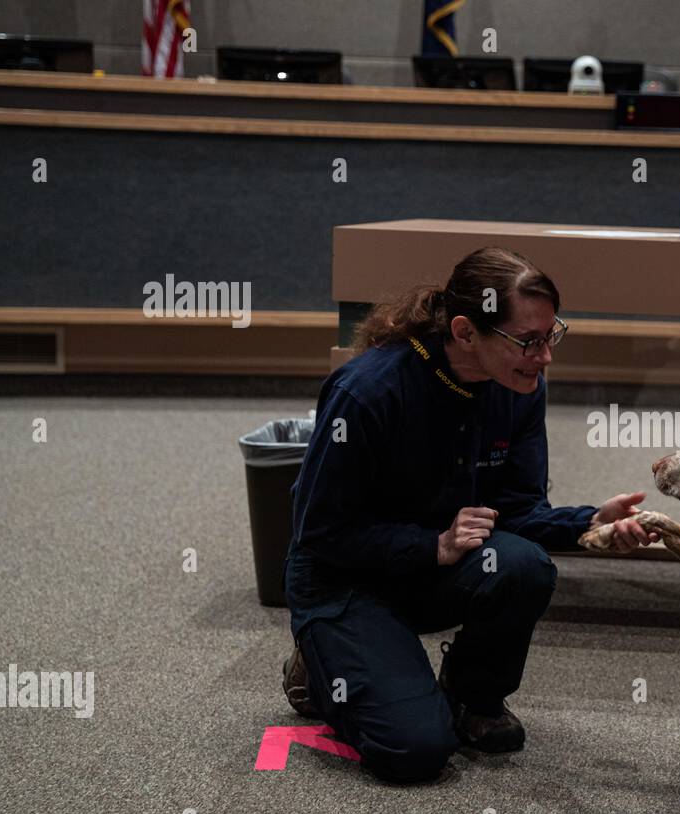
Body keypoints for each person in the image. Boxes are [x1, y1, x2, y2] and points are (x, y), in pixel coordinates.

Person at [281, 247, 657, 784]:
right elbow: (317, 534)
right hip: (346, 579)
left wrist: (590, 523)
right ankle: (320, 670)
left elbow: (520, 511)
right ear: (464, 331)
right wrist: (432, 546)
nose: (544, 356)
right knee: (415, 750)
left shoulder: (519, 388)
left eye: (552, 335)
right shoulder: (367, 392)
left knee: (523, 566)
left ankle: (471, 699)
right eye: (528, 341)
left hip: (433, 568)